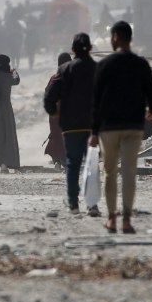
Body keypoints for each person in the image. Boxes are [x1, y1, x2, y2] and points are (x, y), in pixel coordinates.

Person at [90, 21, 152, 234]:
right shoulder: (140, 64)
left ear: (115, 38)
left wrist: (94, 132)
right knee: (129, 173)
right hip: (133, 126)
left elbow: (96, 101)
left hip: (109, 127)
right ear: (130, 38)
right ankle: (127, 220)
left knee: (110, 172)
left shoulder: (104, 65)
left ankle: (112, 218)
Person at [44, 34, 98, 216]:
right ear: (89, 48)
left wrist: (54, 111)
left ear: (73, 50)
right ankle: (92, 205)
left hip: (71, 125)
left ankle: (73, 204)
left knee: (73, 165)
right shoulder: (97, 68)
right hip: (92, 125)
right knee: (91, 165)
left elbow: (50, 95)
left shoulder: (65, 70)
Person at [43, 52, 71, 170]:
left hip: (54, 112)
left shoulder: (54, 77)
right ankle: (63, 161)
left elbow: (47, 92)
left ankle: (57, 161)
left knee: (56, 135)